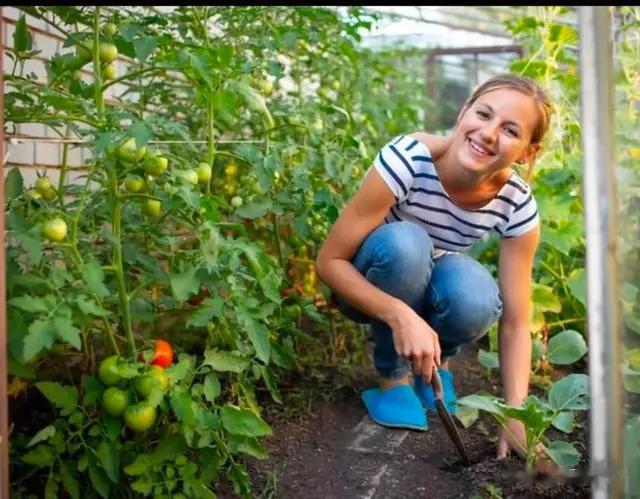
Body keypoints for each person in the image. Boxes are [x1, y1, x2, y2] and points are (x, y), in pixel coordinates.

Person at [315, 74, 553, 465]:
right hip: (370, 280)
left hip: (429, 277)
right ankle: (392, 377)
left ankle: (436, 363)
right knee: (407, 244)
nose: (489, 133)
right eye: (483, 114)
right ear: (463, 112)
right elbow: (329, 262)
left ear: (529, 151)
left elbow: (514, 321)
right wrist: (400, 314)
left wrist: (516, 416)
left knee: (476, 295)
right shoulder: (409, 157)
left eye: (510, 130)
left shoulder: (517, 204)